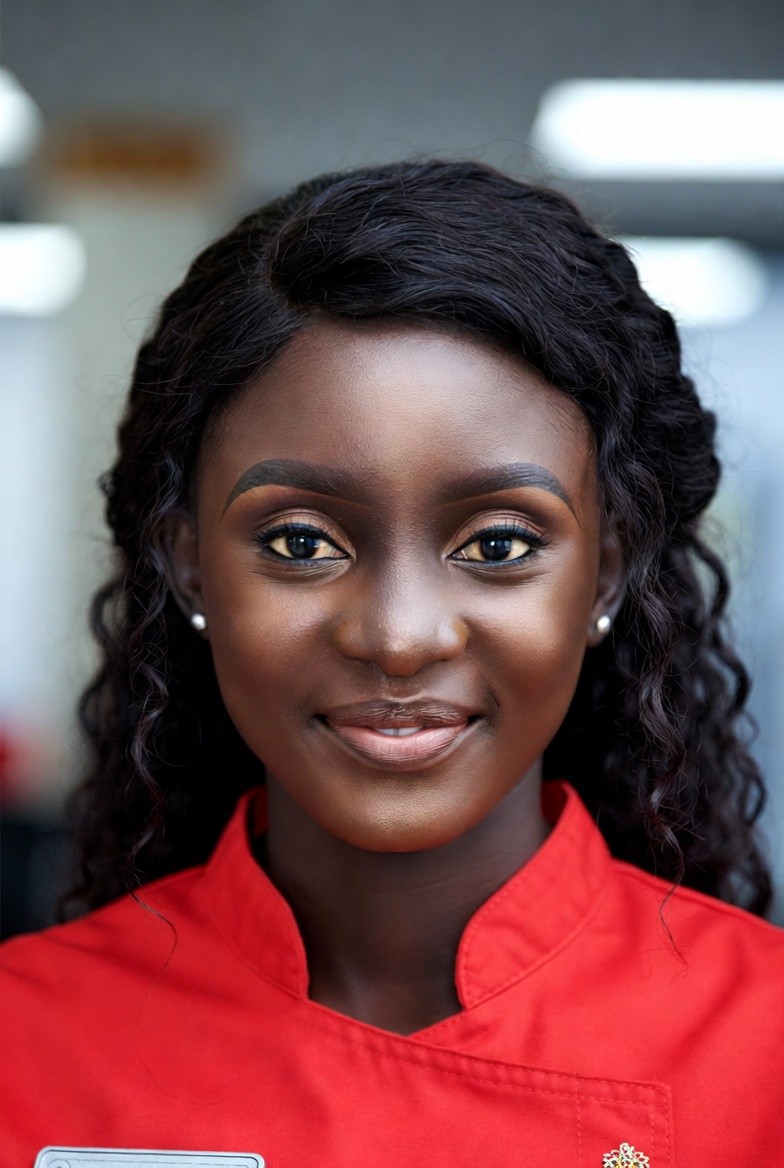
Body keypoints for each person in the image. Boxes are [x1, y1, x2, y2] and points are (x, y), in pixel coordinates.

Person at [1, 160, 782, 1168]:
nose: (400, 637)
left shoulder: (762, 1047)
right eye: (300, 542)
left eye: (498, 544)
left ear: (605, 573)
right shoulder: (23, 1043)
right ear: (188, 565)